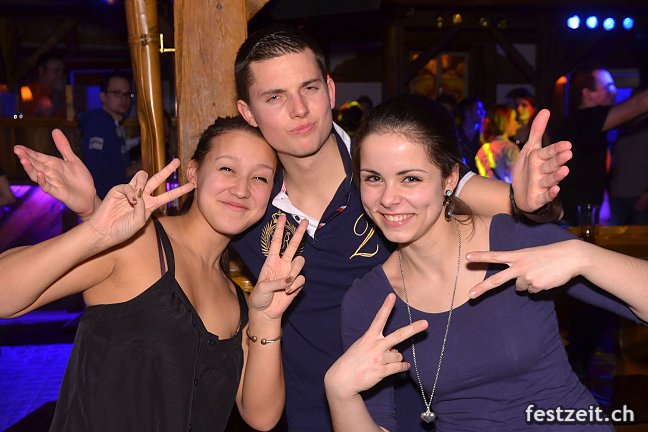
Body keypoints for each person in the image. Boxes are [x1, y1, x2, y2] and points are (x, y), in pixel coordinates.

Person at [16, 27, 572, 431]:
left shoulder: (383, 172)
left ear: (331, 90)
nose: (299, 110)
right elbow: (141, 257)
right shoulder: (250, 201)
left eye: (308, 89)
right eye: (275, 97)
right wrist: (94, 215)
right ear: (249, 111)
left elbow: (477, 193)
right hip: (314, 413)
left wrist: (526, 200)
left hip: (434, 401)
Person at [324, 94, 647, 432]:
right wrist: (339, 393)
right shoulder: (369, 300)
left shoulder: (511, 240)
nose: (388, 198)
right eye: (373, 178)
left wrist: (582, 255)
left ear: (450, 179)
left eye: (410, 178)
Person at [7, 117, 307, 432]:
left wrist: (266, 320)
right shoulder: (139, 244)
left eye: (260, 177)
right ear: (194, 172)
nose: (242, 189)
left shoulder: (239, 302)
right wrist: (94, 233)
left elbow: (261, 417)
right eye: (227, 169)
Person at [556, 65, 648, 226]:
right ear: (587, 94)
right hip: (574, 217)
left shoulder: (584, 121)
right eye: (608, 86)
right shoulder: (585, 120)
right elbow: (637, 105)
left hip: (584, 212)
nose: (615, 91)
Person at [78, 72, 138, 199]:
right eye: (116, 93)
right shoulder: (98, 125)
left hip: (114, 197)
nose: (123, 99)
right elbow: (97, 171)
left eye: (127, 94)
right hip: (102, 200)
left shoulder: (114, 124)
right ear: (103, 97)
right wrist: (132, 170)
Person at [475, 104, 520, 183]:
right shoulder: (511, 148)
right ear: (504, 122)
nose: (516, 123)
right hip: (504, 190)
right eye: (513, 119)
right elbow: (514, 180)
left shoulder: (482, 150)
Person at [20, 53, 67, 119]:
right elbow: (47, 113)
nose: (60, 75)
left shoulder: (64, 93)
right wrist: (57, 93)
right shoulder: (27, 91)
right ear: (41, 71)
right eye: (55, 71)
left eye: (62, 71)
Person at [456, 96, 485, 172]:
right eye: (479, 109)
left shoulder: (485, 133)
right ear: (468, 112)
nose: (484, 112)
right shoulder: (455, 132)